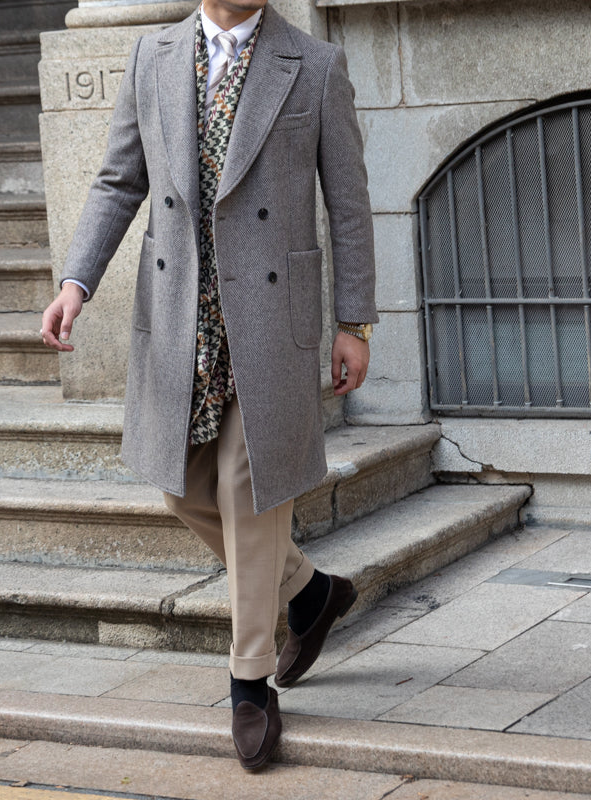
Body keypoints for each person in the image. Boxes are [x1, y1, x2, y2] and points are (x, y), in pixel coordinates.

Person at [41, 0, 377, 770]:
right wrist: (75, 282)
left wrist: (354, 323)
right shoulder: (150, 57)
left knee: (247, 487)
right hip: (180, 317)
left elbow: (350, 204)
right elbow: (118, 181)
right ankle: (309, 592)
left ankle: (249, 681)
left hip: (270, 321)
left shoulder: (315, 65)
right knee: (183, 490)